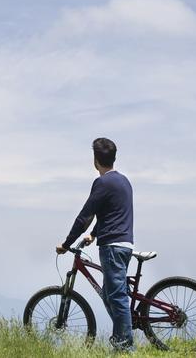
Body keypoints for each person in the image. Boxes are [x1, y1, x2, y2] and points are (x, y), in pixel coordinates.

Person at [56, 137, 135, 351]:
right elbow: (112, 213)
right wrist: (94, 234)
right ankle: (121, 336)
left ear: (95, 159)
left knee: (117, 297)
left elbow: (85, 216)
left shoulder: (102, 182)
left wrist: (66, 243)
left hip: (112, 247)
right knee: (111, 295)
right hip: (125, 244)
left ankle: (126, 347)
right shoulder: (123, 181)